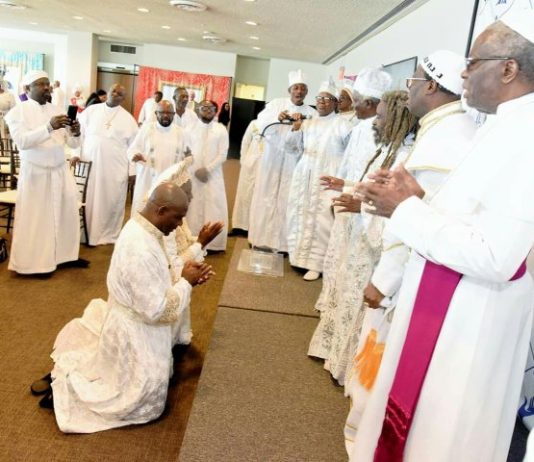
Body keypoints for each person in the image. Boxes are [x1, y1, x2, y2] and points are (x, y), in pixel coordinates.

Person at [351, 13, 534, 461]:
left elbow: (497, 257)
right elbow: (472, 218)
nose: (464, 73)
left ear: (508, 69)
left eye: (473, 62)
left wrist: (405, 209)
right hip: (449, 306)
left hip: (470, 326)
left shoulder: (526, 136)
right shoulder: (502, 125)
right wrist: (416, 199)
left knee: (439, 440)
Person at [344, 51, 478, 448]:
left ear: (432, 86)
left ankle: (367, 442)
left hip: (412, 277)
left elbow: (413, 219)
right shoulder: (446, 130)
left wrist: (383, 281)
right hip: (427, 272)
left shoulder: (443, 139)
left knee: (384, 364)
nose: (409, 90)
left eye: (413, 81)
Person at [33, 183, 214, 432]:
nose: (180, 224)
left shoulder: (142, 226)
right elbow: (158, 311)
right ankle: (69, 391)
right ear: (161, 210)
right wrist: (186, 283)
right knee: (144, 396)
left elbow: (156, 276)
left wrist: (183, 273)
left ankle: (72, 382)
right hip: (136, 328)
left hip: (127, 319)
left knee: (149, 377)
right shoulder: (141, 248)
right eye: (177, 217)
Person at [308, 89, 415, 384]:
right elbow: (372, 189)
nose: (375, 123)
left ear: (396, 119)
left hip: (376, 247)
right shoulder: (389, 148)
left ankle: (349, 370)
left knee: (359, 304)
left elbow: (397, 209)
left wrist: (361, 206)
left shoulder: (405, 157)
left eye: (380, 117)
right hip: (360, 238)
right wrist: (347, 185)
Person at [310, 67, 392, 369]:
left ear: (371, 104)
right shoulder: (359, 128)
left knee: (353, 272)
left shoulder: (382, 135)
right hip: (349, 205)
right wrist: (342, 185)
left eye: (356, 101)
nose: (352, 106)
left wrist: (359, 201)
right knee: (338, 265)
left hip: (366, 217)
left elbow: (377, 183)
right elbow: (350, 168)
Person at [4, 70, 87, 274]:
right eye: (41, 84)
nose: (46, 87)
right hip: (36, 173)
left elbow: (72, 143)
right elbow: (22, 142)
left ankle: (64, 256)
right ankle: (35, 264)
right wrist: (48, 127)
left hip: (60, 170)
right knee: (37, 219)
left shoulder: (57, 109)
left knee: (65, 214)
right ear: (27, 88)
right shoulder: (17, 113)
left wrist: (76, 132)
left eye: (47, 83)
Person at [285, 78, 352, 280]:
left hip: (327, 178)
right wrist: (295, 129)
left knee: (322, 218)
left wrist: (343, 180)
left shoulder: (343, 125)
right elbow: (291, 148)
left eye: (327, 99)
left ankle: (317, 264)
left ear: (335, 103)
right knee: (300, 212)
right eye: (319, 98)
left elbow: (350, 155)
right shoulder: (308, 122)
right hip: (304, 175)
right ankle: (297, 257)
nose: (322, 102)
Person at [152, 160, 224, 345]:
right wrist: (200, 243)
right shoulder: (166, 223)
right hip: (165, 283)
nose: (192, 196)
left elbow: (184, 242)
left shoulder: (177, 216)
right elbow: (172, 264)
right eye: (188, 193)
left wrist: (199, 239)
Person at [248, 70, 317, 253]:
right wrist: (276, 118)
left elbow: (312, 139)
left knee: (288, 200)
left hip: (292, 163)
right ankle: (260, 238)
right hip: (271, 160)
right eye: (296, 88)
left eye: (303, 88)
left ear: (307, 92)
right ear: (289, 90)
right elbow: (260, 126)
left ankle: (283, 244)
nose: (299, 91)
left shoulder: (311, 113)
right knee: (265, 196)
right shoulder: (276, 104)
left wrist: (299, 128)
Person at [72, 84, 138, 246]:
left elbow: (134, 147)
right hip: (90, 163)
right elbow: (78, 134)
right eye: (113, 91)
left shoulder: (128, 119)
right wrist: (75, 153)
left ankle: (106, 235)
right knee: (87, 198)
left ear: (123, 98)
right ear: (107, 92)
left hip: (114, 168)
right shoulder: (91, 111)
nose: (115, 94)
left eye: (120, 93)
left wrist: (132, 171)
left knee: (110, 200)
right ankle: (83, 233)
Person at [128, 99, 189, 215]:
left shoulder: (181, 133)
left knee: (166, 214)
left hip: (171, 181)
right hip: (147, 180)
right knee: (143, 212)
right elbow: (132, 149)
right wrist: (135, 155)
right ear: (156, 113)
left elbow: (187, 156)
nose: (165, 115)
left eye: (169, 113)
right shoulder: (146, 129)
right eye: (162, 112)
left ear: (174, 114)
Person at [186, 99, 229, 251]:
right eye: (204, 107)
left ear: (216, 111)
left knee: (213, 206)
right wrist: (195, 170)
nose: (208, 110)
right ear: (198, 109)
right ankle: (192, 239)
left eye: (212, 108)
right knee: (193, 206)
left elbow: (223, 154)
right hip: (193, 174)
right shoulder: (190, 128)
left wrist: (207, 169)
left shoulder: (221, 129)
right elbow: (186, 151)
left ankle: (213, 244)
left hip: (213, 175)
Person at [231, 119, 263, 233]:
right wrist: (244, 161)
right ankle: (239, 225)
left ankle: (252, 228)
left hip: (264, 168)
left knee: (259, 197)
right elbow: (245, 142)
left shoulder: (277, 125)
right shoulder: (254, 123)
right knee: (244, 195)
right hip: (249, 166)